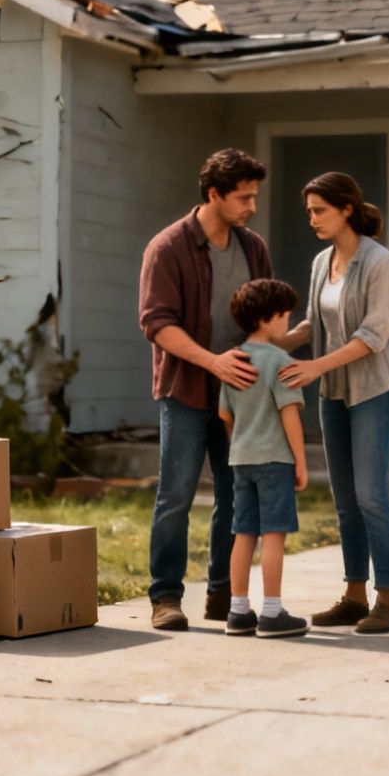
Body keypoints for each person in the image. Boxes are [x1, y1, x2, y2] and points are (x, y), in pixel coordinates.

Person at [138, 149, 273, 631]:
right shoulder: (168, 247)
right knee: (175, 495)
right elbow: (157, 324)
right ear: (214, 194)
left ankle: (223, 596)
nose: (251, 206)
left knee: (237, 496)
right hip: (187, 391)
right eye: (243, 197)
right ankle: (165, 597)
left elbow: (262, 317)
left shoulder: (253, 247)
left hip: (240, 395)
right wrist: (212, 360)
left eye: (254, 196)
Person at [280, 172, 389, 635]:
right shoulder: (321, 262)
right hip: (333, 392)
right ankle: (355, 596)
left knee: (372, 496)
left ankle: (387, 601)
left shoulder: (380, 262)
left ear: (346, 210)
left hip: (375, 389)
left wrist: (314, 367)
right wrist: (273, 344)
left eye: (319, 211)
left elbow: (373, 336)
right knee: (345, 501)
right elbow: (313, 324)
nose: (312, 219)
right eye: (309, 211)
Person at [217, 278, 312, 639]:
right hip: (275, 461)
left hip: (241, 459)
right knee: (274, 535)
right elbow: (290, 414)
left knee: (243, 533)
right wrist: (300, 462)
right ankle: (272, 612)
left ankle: (238, 611)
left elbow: (226, 417)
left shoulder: (234, 361)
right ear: (266, 318)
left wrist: (242, 443)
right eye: (285, 315)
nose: (288, 322)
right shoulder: (280, 362)